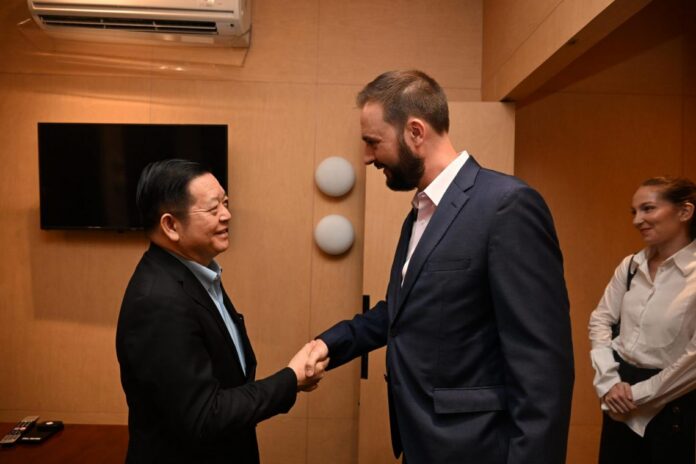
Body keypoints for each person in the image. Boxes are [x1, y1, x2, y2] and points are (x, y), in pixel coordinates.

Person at [304, 70, 575, 464]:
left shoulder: (507, 205)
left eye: (373, 142)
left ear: (415, 132)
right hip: (423, 444)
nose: (366, 157)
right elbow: (404, 313)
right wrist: (329, 343)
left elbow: (543, 367)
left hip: (478, 448)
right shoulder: (419, 214)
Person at [116, 159, 327, 464]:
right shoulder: (158, 301)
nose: (227, 215)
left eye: (225, 203)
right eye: (213, 209)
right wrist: (290, 380)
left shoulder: (198, 274)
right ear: (171, 226)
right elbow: (204, 415)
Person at [589, 177, 696, 464]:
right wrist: (609, 383)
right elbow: (600, 321)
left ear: (685, 212)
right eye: (634, 212)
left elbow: (693, 360)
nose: (637, 220)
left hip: (671, 407)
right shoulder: (630, 266)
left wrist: (635, 395)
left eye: (648, 209)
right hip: (617, 399)